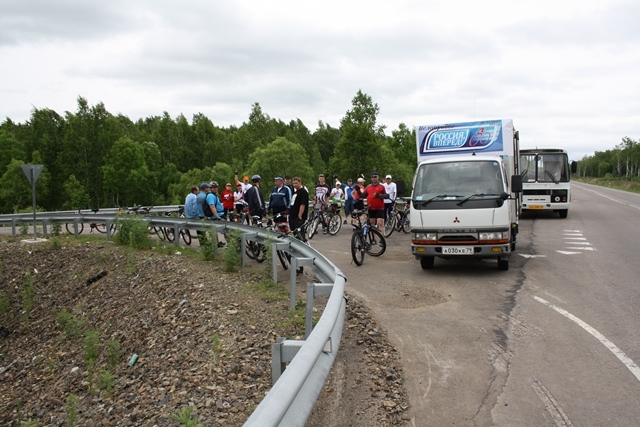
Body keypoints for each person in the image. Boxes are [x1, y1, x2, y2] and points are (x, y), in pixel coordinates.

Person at [289, 176, 309, 241]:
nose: (294, 185)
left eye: (296, 183)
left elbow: (303, 204)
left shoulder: (303, 192)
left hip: (298, 216)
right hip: (293, 215)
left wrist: (300, 215)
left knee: (300, 233)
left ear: (300, 182)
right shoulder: (296, 192)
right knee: (294, 232)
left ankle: (302, 243)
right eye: (293, 183)